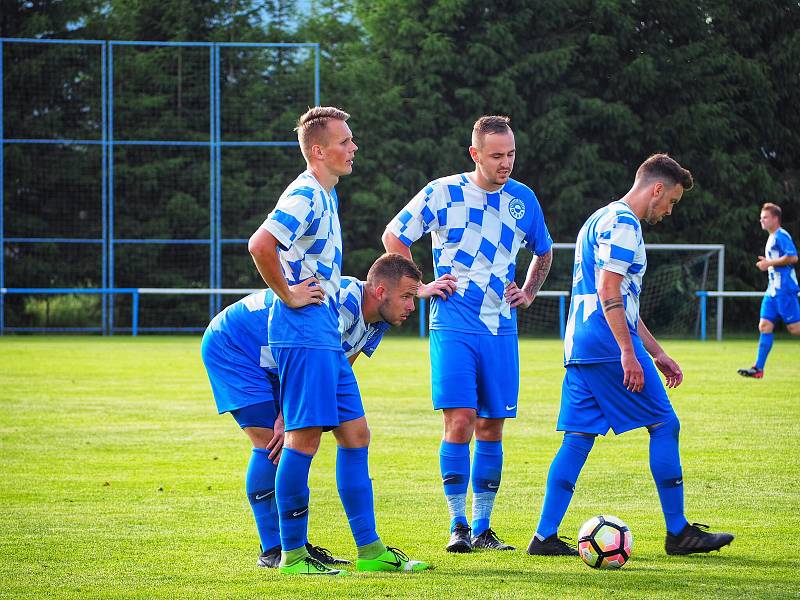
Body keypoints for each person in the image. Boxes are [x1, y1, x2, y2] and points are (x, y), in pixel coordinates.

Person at [248, 107, 429, 576]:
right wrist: (287, 294)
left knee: (355, 433)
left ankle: (370, 551)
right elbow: (260, 244)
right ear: (318, 150)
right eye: (345, 142)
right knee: (304, 440)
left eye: (351, 141)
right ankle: (292, 557)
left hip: (324, 332)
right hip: (303, 330)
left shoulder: (326, 196)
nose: (353, 148)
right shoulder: (306, 193)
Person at [527, 154, 734, 557]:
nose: (669, 210)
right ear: (656, 189)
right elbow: (609, 292)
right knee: (664, 424)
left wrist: (654, 352)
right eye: (671, 201)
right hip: (607, 343)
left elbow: (617, 298)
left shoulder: (599, 218)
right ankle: (678, 532)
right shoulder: (625, 225)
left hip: (581, 343)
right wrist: (628, 352)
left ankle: (544, 537)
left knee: (578, 438)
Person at [383, 115, 553, 553]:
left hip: (501, 328)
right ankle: (457, 524)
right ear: (475, 154)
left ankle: (483, 526)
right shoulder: (444, 191)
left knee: (492, 426)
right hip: (453, 323)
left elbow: (544, 251)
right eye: (497, 155)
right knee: (459, 421)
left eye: (511, 154)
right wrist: (418, 287)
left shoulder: (523, 199)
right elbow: (395, 236)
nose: (506, 163)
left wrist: (529, 292)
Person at [200, 253, 423, 569]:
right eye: (407, 297)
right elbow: (307, 348)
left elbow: (341, 364)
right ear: (381, 292)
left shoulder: (379, 321)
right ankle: (276, 550)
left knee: (356, 434)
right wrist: (286, 416)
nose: (412, 306)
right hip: (236, 347)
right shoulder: (341, 299)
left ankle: (369, 552)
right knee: (272, 443)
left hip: (285, 357)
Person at [737, 202, 799, 378]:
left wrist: (769, 263)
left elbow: (793, 257)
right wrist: (770, 262)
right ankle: (758, 368)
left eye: (765, 217)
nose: (761, 220)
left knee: (795, 329)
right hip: (772, 291)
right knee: (764, 326)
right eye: (761, 217)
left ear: (775, 219)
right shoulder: (772, 236)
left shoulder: (781, 235)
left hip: (784, 289)